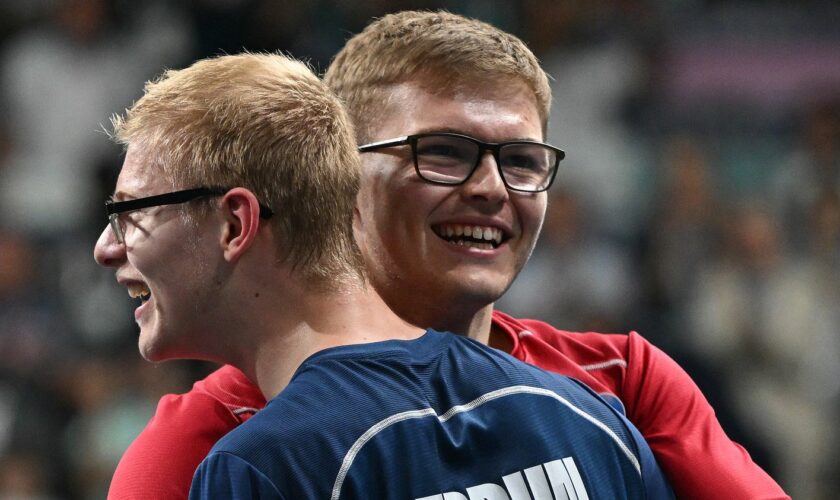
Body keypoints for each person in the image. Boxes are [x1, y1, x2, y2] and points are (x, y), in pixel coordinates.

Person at [107, 11, 789, 499]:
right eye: (443, 154)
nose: (491, 189)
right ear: (339, 176)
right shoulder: (199, 449)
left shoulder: (619, 382)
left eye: (521, 161)